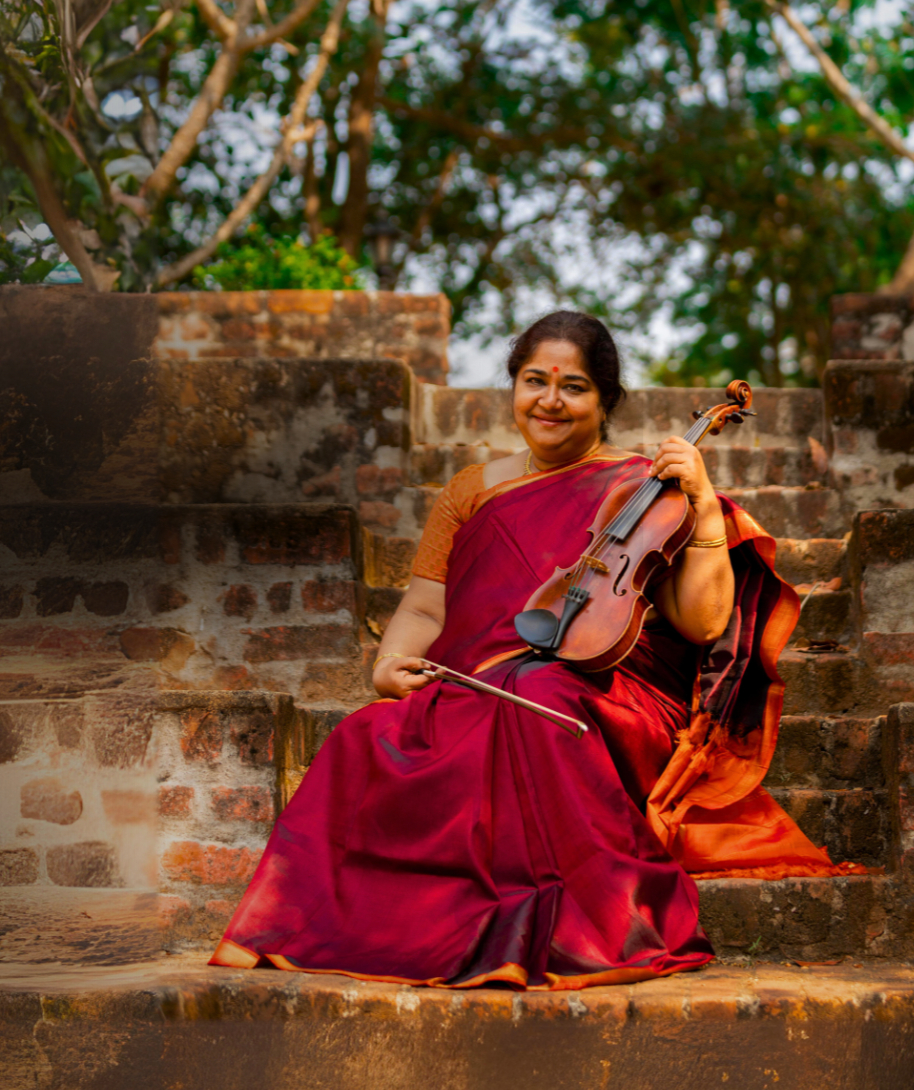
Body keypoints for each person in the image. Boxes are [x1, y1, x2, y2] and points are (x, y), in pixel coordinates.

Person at [210, 311, 866, 990]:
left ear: (604, 401)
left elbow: (703, 625)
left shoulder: (653, 492)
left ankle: (580, 921)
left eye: (573, 386)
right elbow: (427, 604)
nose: (549, 400)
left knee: (537, 695)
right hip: (480, 683)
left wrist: (700, 503)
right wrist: (388, 661)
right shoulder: (469, 491)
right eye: (534, 381)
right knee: (362, 735)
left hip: (604, 693)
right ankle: (334, 927)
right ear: (512, 386)